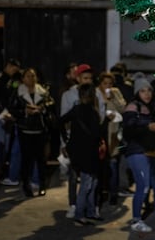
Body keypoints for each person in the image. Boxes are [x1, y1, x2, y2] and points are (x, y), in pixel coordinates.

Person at [60, 83, 112, 225]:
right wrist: (107, 120)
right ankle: (80, 214)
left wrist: (66, 139)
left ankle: (89, 212)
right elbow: (97, 133)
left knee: (91, 182)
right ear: (91, 96)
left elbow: (60, 121)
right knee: (87, 184)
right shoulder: (91, 112)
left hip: (78, 151)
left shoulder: (76, 109)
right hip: (88, 153)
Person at [122, 75, 155, 232]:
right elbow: (129, 127)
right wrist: (147, 125)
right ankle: (136, 220)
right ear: (137, 92)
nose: (147, 94)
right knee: (143, 186)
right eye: (143, 91)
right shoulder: (132, 107)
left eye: (149, 90)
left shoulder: (151, 108)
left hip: (152, 152)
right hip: (137, 151)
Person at [8, 68, 55, 197]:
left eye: (33, 76)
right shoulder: (18, 92)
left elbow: (51, 105)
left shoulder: (43, 92)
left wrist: (42, 109)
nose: (31, 78)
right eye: (28, 76)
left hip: (40, 129)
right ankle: (26, 185)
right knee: (26, 160)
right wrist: (25, 111)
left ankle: (42, 185)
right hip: (25, 129)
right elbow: (12, 108)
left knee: (41, 160)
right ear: (23, 79)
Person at [60, 63, 93, 218]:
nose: (88, 81)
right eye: (85, 78)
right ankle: (73, 205)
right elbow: (63, 119)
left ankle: (88, 206)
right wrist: (63, 143)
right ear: (78, 78)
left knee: (90, 177)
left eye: (90, 78)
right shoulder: (68, 95)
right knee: (73, 176)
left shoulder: (95, 93)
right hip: (74, 141)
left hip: (90, 142)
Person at [95, 72, 126, 205]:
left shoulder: (116, 92)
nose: (107, 86)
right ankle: (102, 192)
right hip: (99, 132)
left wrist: (113, 98)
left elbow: (123, 108)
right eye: (105, 83)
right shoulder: (95, 93)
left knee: (113, 164)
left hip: (113, 132)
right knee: (100, 165)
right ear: (100, 83)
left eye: (110, 83)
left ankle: (113, 193)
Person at [0, 58, 21, 186]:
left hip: (9, 113)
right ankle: (0, 167)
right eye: (14, 68)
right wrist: (2, 112)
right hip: (0, 114)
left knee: (8, 141)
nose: (15, 71)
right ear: (8, 66)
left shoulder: (13, 79)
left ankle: (4, 165)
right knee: (2, 141)